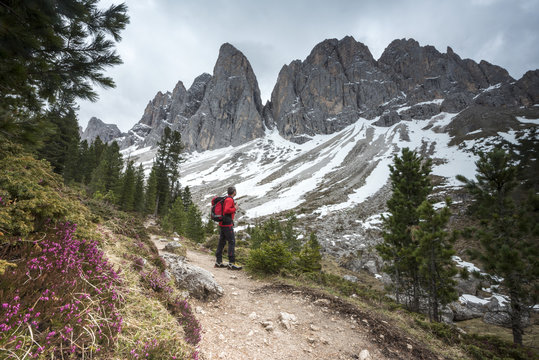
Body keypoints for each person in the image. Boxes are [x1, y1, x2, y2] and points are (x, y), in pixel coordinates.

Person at [215, 186, 242, 270]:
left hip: (223, 223)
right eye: (235, 191)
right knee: (231, 242)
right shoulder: (229, 199)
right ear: (234, 192)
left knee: (222, 242)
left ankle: (218, 262)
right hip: (227, 224)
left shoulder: (226, 199)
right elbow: (227, 210)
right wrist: (235, 208)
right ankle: (231, 263)